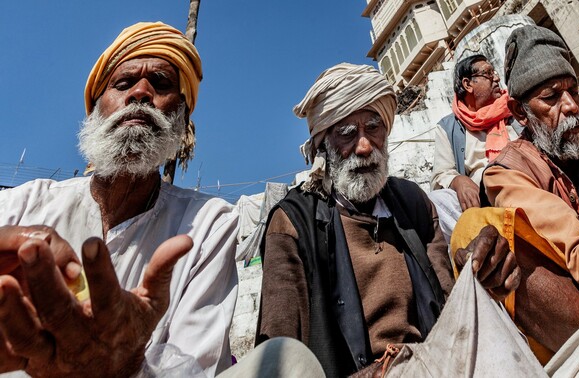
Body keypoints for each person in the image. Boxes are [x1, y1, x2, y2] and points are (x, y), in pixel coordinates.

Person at [0, 22, 241, 377]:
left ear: (182, 117)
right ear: (95, 109)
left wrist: (124, 365)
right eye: (124, 83)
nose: (140, 93)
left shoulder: (208, 223)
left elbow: (195, 366)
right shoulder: (21, 206)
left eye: (160, 84)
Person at [256, 63, 521, 377]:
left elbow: (450, 308)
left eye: (374, 128)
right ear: (324, 145)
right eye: (347, 134)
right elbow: (278, 356)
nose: (365, 146)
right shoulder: (292, 222)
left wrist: (480, 283)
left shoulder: (413, 203)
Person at [479, 25, 579, 362]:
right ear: (520, 112)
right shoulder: (507, 174)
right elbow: (576, 250)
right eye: (552, 97)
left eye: (573, 92)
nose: (572, 106)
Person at [429, 55, 521, 241]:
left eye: (495, 72)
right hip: (481, 200)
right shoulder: (447, 127)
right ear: (468, 84)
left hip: (524, 181)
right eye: (488, 73)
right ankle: (477, 244)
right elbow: (441, 174)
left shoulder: (515, 109)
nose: (496, 78)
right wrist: (458, 180)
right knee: (438, 201)